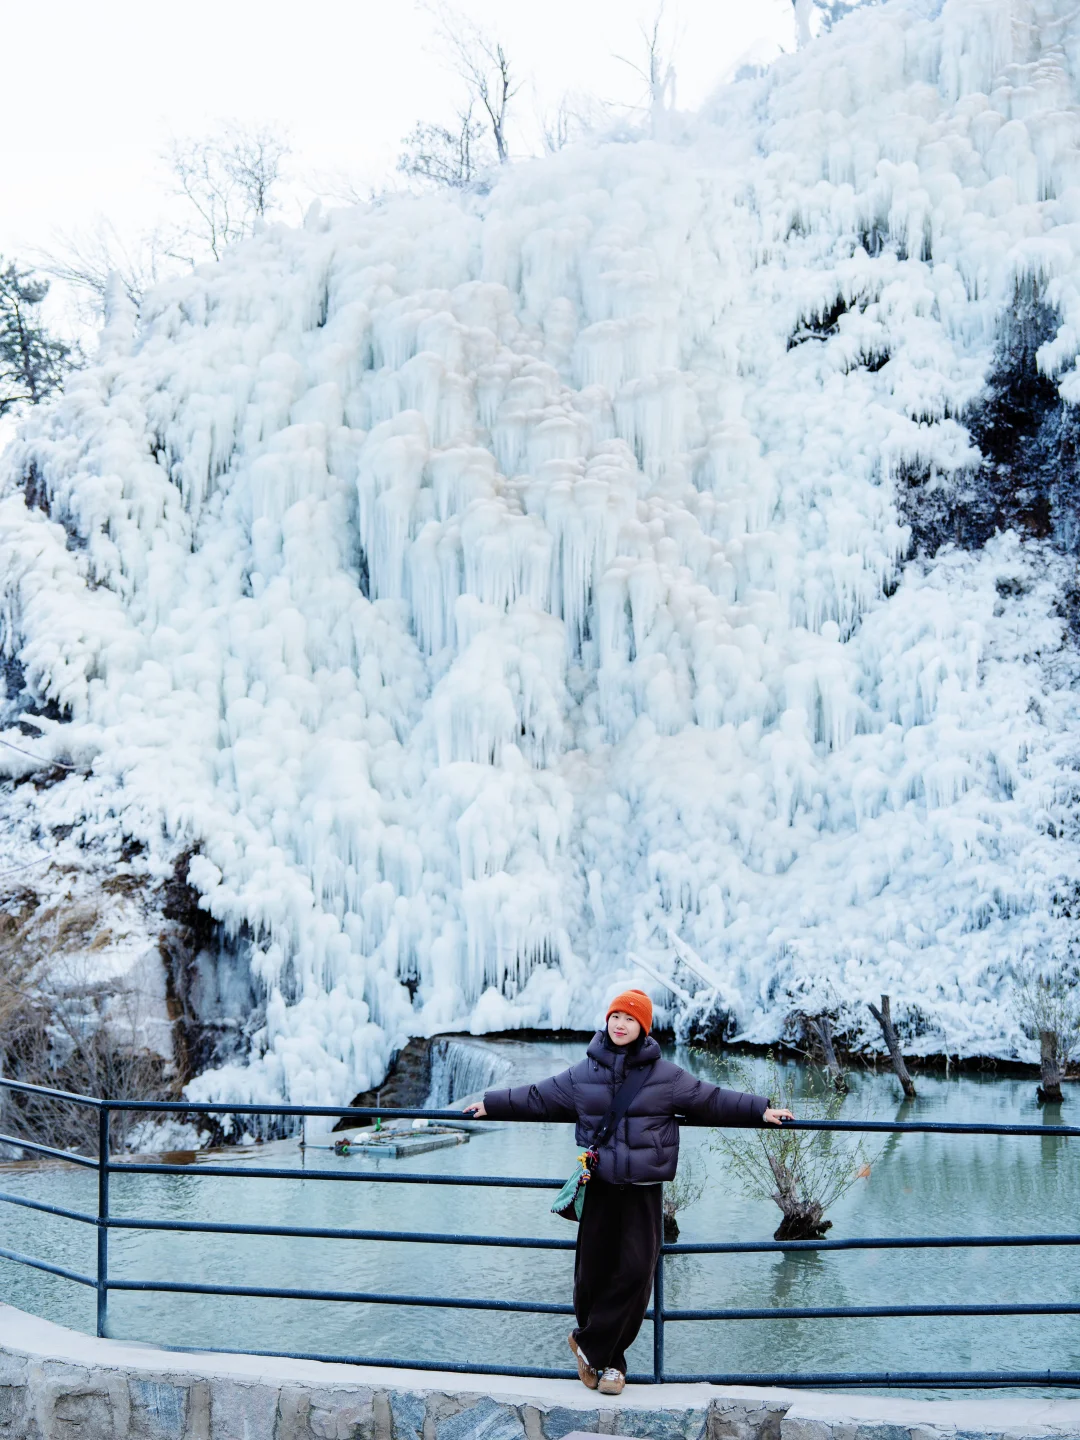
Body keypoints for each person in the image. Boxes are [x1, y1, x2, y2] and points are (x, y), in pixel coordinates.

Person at [464, 988, 793, 1395]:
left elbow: (708, 1098)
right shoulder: (583, 1073)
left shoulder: (666, 1076)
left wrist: (759, 1109)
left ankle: (589, 1345)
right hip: (600, 1185)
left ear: (643, 1028)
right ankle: (611, 1366)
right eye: (615, 1017)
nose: (620, 1025)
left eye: (630, 1019)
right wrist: (492, 1104)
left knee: (637, 1272)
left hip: (642, 1189)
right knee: (592, 1275)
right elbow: (538, 1097)